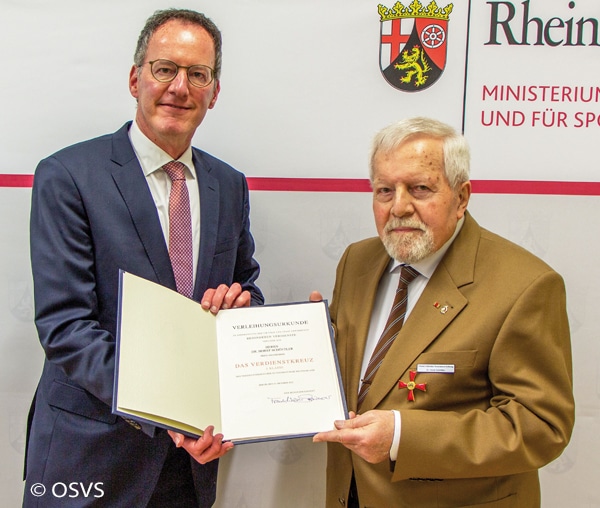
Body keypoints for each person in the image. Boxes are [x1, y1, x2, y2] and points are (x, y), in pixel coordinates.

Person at [24, 8, 263, 507]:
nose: (180, 87)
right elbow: (67, 326)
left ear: (214, 92)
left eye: (197, 74)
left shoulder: (229, 185)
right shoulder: (68, 176)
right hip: (87, 455)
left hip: (188, 467)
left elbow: (247, 285)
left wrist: (240, 309)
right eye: (164, 69)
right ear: (136, 79)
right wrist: (168, 411)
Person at [311, 117, 574, 507]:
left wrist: (402, 435)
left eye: (419, 188)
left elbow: (540, 425)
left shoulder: (526, 285)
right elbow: (363, 375)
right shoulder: (357, 261)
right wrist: (312, 346)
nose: (399, 206)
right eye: (385, 190)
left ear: (462, 197)